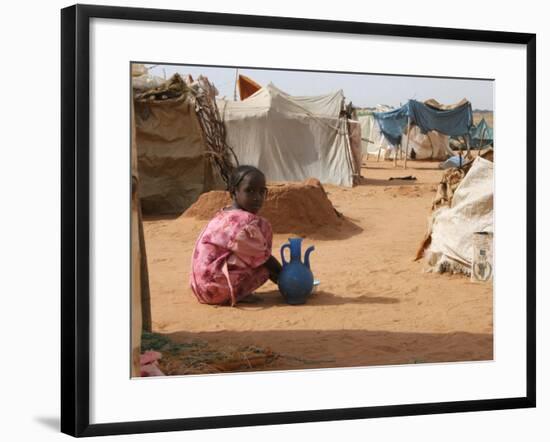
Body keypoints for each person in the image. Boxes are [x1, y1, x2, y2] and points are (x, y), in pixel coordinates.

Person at [189, 165, 282, 306]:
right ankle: (236, 292)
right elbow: (264, 258)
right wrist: (285, 278)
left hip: (200, 288)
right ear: (233, 193)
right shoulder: (244, 223)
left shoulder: (224, 214)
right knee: (263, 269)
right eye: (249, 191)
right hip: (214, 290)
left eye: (261, 191)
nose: (257, 197)